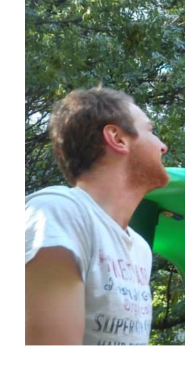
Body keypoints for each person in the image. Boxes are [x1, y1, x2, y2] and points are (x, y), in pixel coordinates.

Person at [25, 87, 169, 345]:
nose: (163, 146)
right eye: (150, 131)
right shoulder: (58, 213)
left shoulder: (140, 250)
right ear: (117, 138)